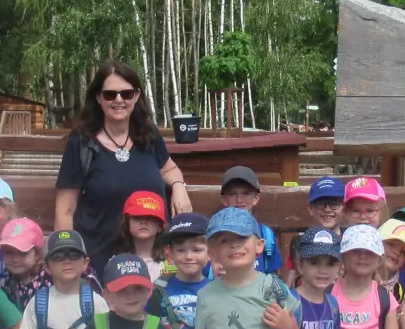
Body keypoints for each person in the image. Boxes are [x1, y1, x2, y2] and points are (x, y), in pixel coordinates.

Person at [54, 61, 190, 262]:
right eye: (110, 94)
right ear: (98, 98)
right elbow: (65, 209)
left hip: (153, 260)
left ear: (136, 96)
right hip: (98, 260)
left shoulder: (148, 135)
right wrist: (69, 257)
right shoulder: (81, 143)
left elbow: (169, 169)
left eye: (126, 94)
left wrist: (179, 187)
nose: (119, 100)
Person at [155, 212, 213, 329]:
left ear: (210, 253)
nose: (189, 257)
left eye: (197, 250)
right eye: (181, 250)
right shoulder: (158, 289)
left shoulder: (217, 291)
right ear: (170, 253)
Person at [219, 166, 282, 274]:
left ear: (256, 198)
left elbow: (273, 275)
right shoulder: (215, 234)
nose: (239, 200)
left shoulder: (265, 234)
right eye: (232, 194)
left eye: (246, 193)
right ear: (224, 199)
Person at [286, 176, 346, 280]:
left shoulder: (350, 242)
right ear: (310, 208)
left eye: (334, 203)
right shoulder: (300, 243)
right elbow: (289, 285)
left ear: (344, 208)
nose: (327, 209)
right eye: (321, 204)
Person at [116, 190, 168, 280]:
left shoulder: (171, 263)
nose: (143, 222)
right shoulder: (117, 262)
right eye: (137, 217)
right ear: (127, 223)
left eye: (150, 217)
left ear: (160, 226)